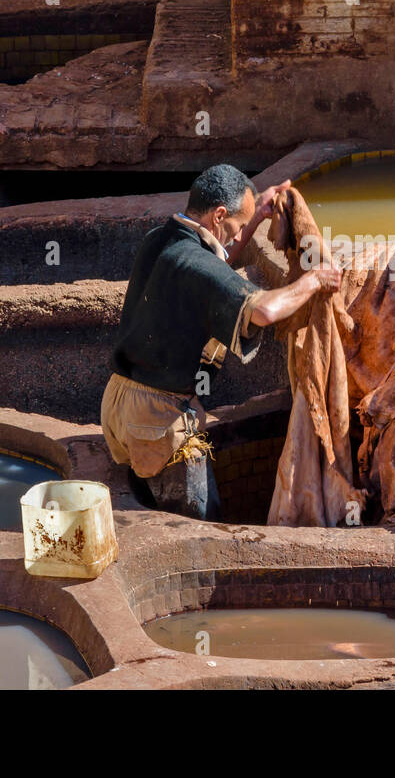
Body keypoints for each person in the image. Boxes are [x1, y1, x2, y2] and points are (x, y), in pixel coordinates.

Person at [100, 164, 341, 518]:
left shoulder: (161, 239)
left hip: (119, 404)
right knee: (196, 521)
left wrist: (257, 216)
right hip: (156, 420)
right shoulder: (194, 263)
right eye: (237, 226)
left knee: (152, 504)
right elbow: (265, 311)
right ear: (218, 215)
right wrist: (315, 280)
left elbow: (217, 259)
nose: (239, 235)